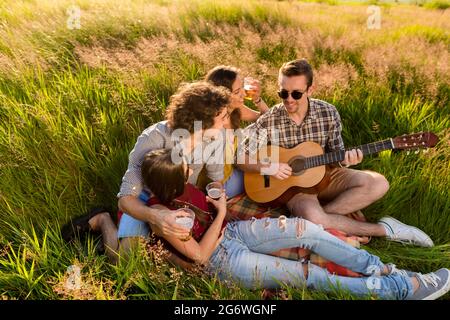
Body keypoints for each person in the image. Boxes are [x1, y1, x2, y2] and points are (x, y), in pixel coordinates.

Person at [127, 148, 450, 300]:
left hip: (233, 232)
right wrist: (222, 212)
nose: (189, 170)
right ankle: (401, 290)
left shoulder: (180, 186)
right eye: (184, 169)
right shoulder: (168, 219)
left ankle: (383, 269)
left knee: (307, 230)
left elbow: (203, 202)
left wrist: (214, 201)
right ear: (170, 180)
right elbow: (198, 255)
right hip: (221, 259)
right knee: (310, 276)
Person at [236, 58, 433, 247]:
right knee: (314, 217)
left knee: (379, 183)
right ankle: (386, 230)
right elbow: (240, 157)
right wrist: (269, 167)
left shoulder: (328, 112)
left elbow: (337, 154)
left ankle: (323, 219)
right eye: (283, 93)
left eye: (296, 94)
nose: (288, 100)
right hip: (295, 188)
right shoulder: (271, 118)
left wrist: (346, 161)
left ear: (310, 90)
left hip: (326, 174)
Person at [62, 81, 231, 263]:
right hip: (145, 200)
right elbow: (126, 199)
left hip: (179, 197)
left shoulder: (216, 138)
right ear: (202, 121)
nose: (226, 122)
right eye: (222, 118)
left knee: (186, 258)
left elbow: (215, 180)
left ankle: (154, 247)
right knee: (121, 261)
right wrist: (156, 216)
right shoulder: (154, 138)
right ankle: (103, 218)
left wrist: (213, 196)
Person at [204, 65, 269, 199]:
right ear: (222, 94)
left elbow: (267, 119)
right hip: (221, 183)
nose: (244, 94)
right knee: (264, 178)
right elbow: (213, 175)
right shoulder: (212, 123)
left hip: (233, 166)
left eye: (242, 88)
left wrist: (257, 99)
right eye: (237, 91)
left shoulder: (235, 108)